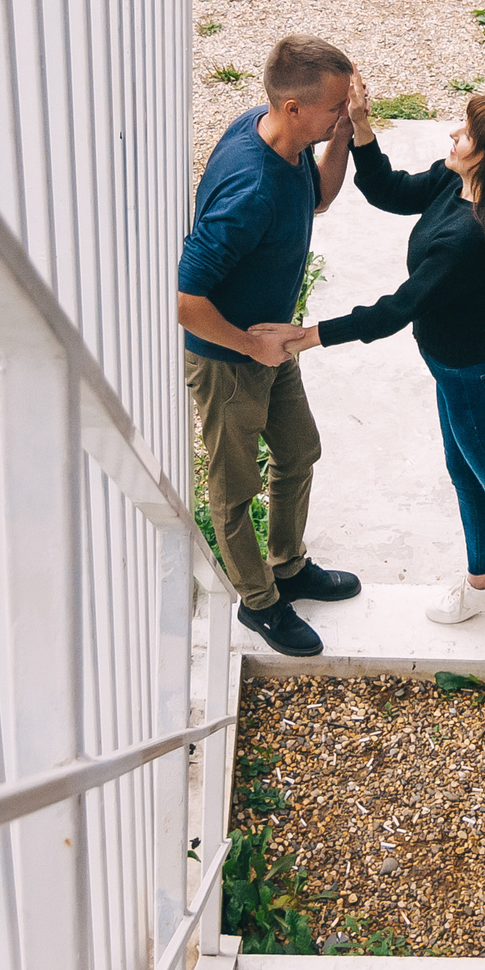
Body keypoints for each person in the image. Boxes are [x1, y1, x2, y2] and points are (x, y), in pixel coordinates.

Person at [256, 93, 485, 645]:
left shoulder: (468, 238)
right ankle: (483, 581)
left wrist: (306, 337)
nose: (453, 136)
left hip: (472, 381)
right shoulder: (457, 183)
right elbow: (391, 191)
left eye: (465, 134)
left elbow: (396, 310)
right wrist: (362, 129)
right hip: (458, 371)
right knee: (467, 474)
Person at [178, 35, 368, 657]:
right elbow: (182, 299)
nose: (343, 112)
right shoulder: (250, 192)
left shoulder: (280, 139)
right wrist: (247, 346)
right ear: (292, 108)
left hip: (273, 339)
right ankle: (258, 604)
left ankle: (288, 567)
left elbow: (319, 197)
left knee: (299, 451)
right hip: (230, 359)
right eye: (335, 107)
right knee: (234, 491)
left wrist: (344, 134)